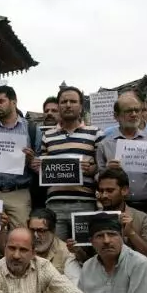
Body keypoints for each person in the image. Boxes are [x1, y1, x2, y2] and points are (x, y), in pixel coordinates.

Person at [35, 86, 103, 240]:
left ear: (81, 106)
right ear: (59, 106)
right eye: (64, 102)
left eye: (73, 101)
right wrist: (38, 167)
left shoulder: (96, 133)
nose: (68, 105)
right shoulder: (47, 136)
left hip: (84, 203)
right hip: (54, 205)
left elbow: (102, 168)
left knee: (84, 249)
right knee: (55, 250)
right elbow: (44, 171)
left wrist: (91, 169)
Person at [96, 92, 147, 218]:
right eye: (128, 111)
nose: (134, 114)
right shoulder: (104, 145)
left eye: (137, 110)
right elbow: (97, 178)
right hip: (119, 207)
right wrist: (107, 171)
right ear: (116, 116)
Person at [0, 85, 41, 230]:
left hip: (19, 193)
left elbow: (41, 166)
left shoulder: (32, 130)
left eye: (1, 101)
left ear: (14, 102)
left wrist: (32, 160)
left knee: (22, 235)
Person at [95, 168, 147, 264]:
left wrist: (131, 233)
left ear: (124, 190)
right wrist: (77, 250)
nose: (104, 195)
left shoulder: (143, 219)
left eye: (110, 190)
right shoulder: (94, 219)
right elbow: (87, 258)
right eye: (101, 191)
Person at [24, 208, 82, 285]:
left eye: (41, 231)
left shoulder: (66, 253)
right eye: (32, 230)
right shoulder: (21, 248)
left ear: (53, 230)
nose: (36, 236)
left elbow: (75, 286)